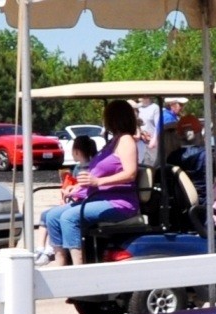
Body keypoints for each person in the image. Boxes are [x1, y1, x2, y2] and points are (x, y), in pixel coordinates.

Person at [41, 100, 141, 267]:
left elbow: (130, 174)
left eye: (106, 116)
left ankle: (79, 269)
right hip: (98, 197)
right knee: (51, 216)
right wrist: (77, 187)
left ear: (114, 118)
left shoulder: (126, 140)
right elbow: (95, 174)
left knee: (69, 217)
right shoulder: (113, 141)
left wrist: (97, 181)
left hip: (118, 202)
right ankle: (60, 265)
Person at [34, 134, 99, 254]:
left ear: (77, 152)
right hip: (75, 200)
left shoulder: (88, 169)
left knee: (51, 216)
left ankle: (50, 248)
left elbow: (84, 189)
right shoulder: (78, 168)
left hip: (82, 201)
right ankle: (41, 247)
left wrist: (70, 192)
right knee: (46, 215)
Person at [135, 96, 161, 166]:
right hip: (139, 141)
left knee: (150, 165)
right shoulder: (137, 107)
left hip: (149, 143)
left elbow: (158, 125)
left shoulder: (155, 108)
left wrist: (154, 140)